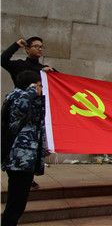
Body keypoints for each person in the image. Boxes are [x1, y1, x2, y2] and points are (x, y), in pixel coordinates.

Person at [1, 36, 55, 190]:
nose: (40, 49)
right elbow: (2, 60)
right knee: (17, 141)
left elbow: (60, 82)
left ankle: (28, 176)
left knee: (32, 142)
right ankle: (17, 174)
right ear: (27, 48)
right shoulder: (19, 66)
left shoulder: (44, 69)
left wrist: (52, 73)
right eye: (36, 46)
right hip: (20, 111)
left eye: (41, 47)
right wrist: (15, 45)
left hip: (36, 113)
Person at [1, 70, 48, 226]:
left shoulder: (27, 99)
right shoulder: (18, 99)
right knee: (16, 202)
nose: (41, 89)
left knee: (18, 201)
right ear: (31, 86)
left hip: (24, 158)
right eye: (39, 85)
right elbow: (19, 111)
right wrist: (31, 91)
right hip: (19, 160)